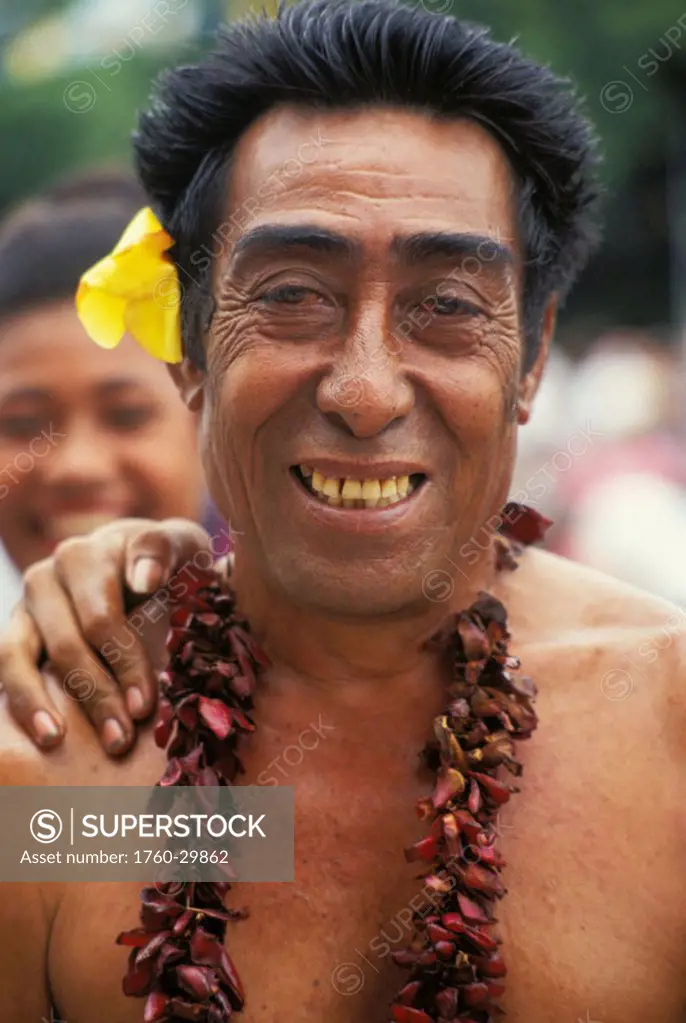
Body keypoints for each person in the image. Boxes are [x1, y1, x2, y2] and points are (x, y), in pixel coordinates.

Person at [0, 2, 685, 1021]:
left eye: (446, 306)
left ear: (532, 355)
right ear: (188, 345)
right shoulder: (57, 774)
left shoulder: (668, 736)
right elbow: (236, 831)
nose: (364, 390)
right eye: (291, 293)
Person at [0, 169, 209, 731]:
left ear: (206, 415)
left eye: (127, 414)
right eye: (21, 423)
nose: (77, 466)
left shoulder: (308, 654)